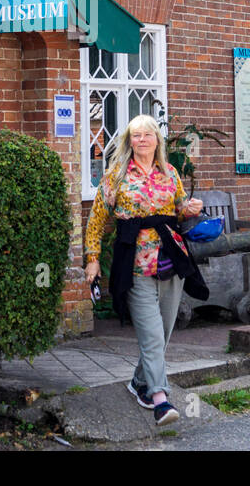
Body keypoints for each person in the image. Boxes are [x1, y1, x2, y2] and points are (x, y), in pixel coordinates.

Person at [84, 114, 208, 425]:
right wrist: (92, 258)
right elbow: (97, 221)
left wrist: (188, 208)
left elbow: (179, 209)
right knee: (152, 335)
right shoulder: (115, 177)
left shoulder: (170, 174)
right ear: (129, 141)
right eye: (136, 135)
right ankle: (160, 400)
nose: (142, 140)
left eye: (147, 135)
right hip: (134, 264)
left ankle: (139, 382)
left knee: (163, 333)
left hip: (170, 260)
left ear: (157, 140)